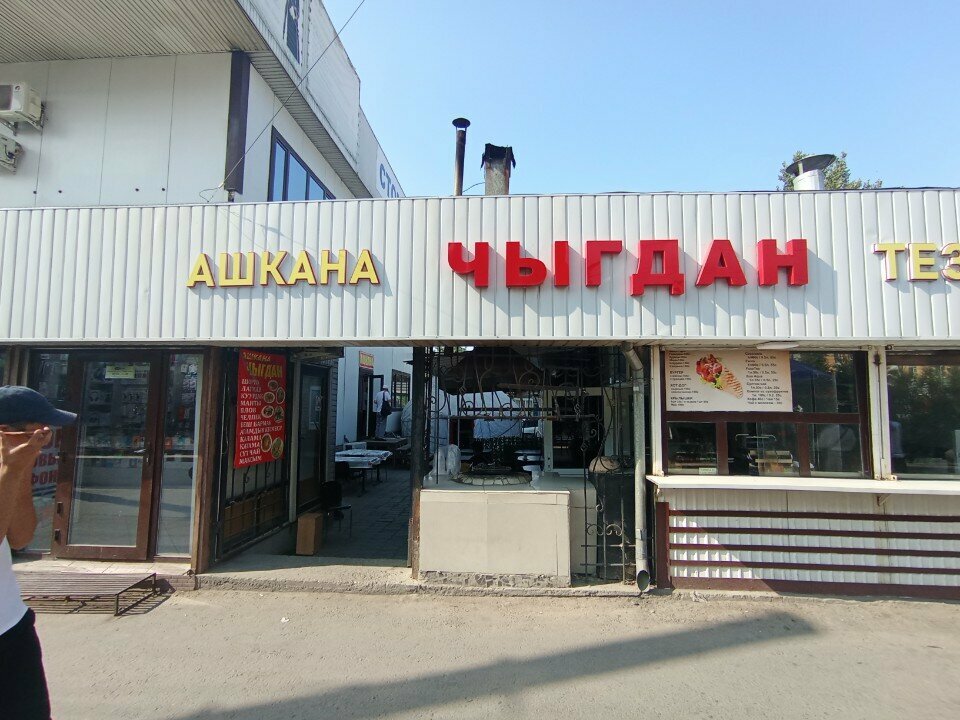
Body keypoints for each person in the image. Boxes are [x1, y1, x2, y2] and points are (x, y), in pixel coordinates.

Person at [0, 386, 76, 720]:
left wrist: (18, 469)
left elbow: (20, 537)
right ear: (6, 431)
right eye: (38, 430)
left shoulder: (12, 466)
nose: (45, 437)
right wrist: (12, 470)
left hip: (12, 625)